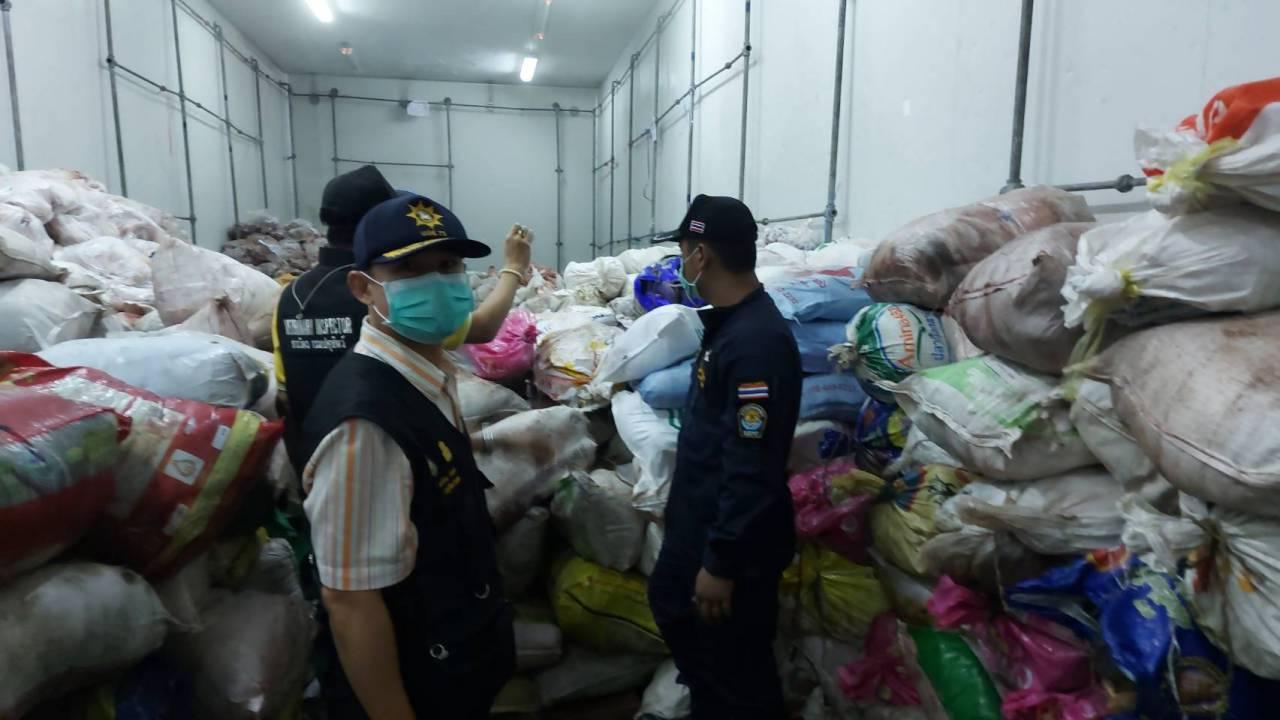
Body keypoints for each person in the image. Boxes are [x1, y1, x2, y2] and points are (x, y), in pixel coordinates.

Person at [298, 193, 522, 720]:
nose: (437, 283)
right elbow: (351, 601)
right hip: (417, 686)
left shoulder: (423, 373)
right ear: (363, 288)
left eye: (448, 266)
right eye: (409, 270)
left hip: (453, 660)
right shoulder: (366, 426)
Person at [648, 195, 802, 720]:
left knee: (736, 674)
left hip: (734, 545)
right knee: (688, 631)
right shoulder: (730, 328)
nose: (681, 263)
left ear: (702, 256)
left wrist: (721, 562)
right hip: (703, 524)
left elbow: (751, 464)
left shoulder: (755, 343)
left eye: (683, 251)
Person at [273, 164, 533, 469]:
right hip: (388, 452)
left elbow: (285, 394)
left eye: (448, 265)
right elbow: (483, 328)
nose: (431, 280)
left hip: (310, 456)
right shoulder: (388, 298)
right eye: (409, 267)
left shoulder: (291, 296)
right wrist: (514, 267)